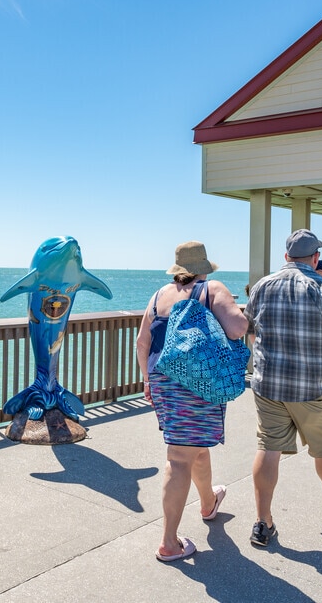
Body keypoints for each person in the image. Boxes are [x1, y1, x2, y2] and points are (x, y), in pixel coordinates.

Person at [243, 229, 322, 548]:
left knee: (268, 448)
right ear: (315, 259)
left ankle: (262, 522)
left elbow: (251, 334)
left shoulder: (262, 286)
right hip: (312, 387)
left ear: (286, 257)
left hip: (268, 385)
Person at [136, 241, 248, 562]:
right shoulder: (211, 288)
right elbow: (237, 328)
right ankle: (169, 543)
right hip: (199, 381)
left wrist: (147, 380)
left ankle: (208, 502)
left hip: (162, 379)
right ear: (203, 267)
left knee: (193, 446)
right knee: (180, 456)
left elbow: (142, 342)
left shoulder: (159, 295)